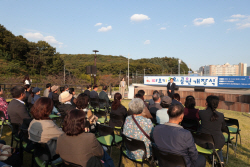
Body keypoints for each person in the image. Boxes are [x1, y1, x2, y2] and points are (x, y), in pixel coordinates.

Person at [28, 97, 63, 163]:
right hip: (51, 155)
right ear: (48, 109)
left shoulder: (33, 121)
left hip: (39, 153)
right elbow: (63, 136)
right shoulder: (48, 125)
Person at [199, 95, 227, 164]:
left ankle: (213, 160)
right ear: (217, 104)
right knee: (216, 144)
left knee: (213, 142)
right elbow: (223, 128)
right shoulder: (221, 115)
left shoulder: (201, 113)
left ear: (207, 103)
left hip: (203, 142)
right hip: (217, 142)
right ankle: (220, 161)